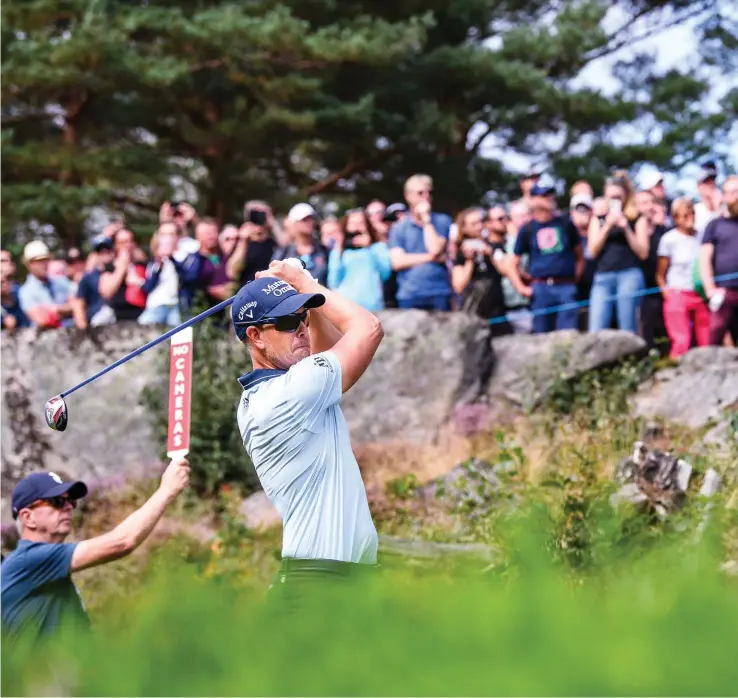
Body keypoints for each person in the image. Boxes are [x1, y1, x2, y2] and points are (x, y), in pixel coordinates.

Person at [231, 259, 383, 598]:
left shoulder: (291, 387)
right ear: (254, 336)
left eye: (302, 318)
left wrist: (304, 296)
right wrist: (302, 280)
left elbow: (326, 349)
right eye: (287, 322)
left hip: (341, 581)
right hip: (319, 586)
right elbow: (368, 328)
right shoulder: (289, 393)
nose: (300, 328)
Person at [1, 460, 190, 644]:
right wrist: (166, 491)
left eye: (71, 502)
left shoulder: (41, 565)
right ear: (28, 517)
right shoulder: (31, 559)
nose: (68, 507)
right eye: (57, 501)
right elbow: (122, 542)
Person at [509, 180, 584, 333]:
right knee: (541, 334)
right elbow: (512, 263)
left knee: (568, 334)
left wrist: (574, 279)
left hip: (565, 286)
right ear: (533, 200)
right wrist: (521, 288)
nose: (549, 199)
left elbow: (580, 256)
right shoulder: (528, 229)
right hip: (541, 287)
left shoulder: (565, 223)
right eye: (544, 195)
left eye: (550, 195)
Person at [587, 176, 649, 333]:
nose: (614, 200)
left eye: (617, 197)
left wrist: (626, 228)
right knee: (596, 329)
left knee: (628, 328)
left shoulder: (637, 218)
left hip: (629, 275)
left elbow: (643, 253)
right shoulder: (598, 218)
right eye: (611, 197)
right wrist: (607, 226)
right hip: (603, 278)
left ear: (626, 196)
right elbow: (592, 251)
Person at [655, 198, 710, 359]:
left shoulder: (702, 235)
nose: (689, 218)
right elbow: (660, 274)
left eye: (692, 214)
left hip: (700, 293)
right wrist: (667, 294)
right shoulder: (669, 239)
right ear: (676, 218)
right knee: (681, 340)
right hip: (677, 292)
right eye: (685, 215)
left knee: (706, 339)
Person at [389, 174, 452, 311]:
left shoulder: (442, 221)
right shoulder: (399, 228)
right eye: (420, 193)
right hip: (409, 294)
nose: (426, 197)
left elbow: (435, 248)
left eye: (429, 192)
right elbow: (397, 262)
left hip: (439, 292)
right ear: (408, 196)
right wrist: (431, 258)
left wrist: (426, 220)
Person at [452, 207, 511, 330]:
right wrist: (470, 260)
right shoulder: (460, 254)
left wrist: (490, 253)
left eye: (481, 222)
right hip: (473, 310)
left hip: (497, 308)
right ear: (464, 228)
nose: (479, 227)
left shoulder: (495, 247)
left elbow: (506, 271)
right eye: (474, 224)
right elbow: (458, 285)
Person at [327, 209, 392, 311]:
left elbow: (385, 274)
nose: (356, 226)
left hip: (373, 306)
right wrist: (339, 248)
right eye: (352, 223)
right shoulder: (339, 251)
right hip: (347, 306)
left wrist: (370, 248)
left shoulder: (378, 247)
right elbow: (333, 281)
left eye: (360, 223)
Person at [700, 175, 738, 345]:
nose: (734, 196)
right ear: (723, 196)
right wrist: (710, 289)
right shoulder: (714, 225)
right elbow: (704, 259)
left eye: (737, 191)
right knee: (715, 336)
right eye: (730, 192)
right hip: (723, 292)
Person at [637, 194, 670, 355]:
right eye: (644, 203)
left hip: (663, 291)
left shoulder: (664, 232)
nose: (650, 206)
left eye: (652, 202)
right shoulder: (631, 232)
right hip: (642, 293)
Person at [18, 241, 74, 329]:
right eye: (39, 261)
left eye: (46, 260)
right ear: (29, 264)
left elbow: (78, 305)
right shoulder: (26, 291)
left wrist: (56, 310)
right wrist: (67, 310)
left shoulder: (62, 282)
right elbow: (42, 320)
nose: (44, 264)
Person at [272, 203, 329, 286]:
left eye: (311, 218)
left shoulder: (324, 250)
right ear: (294, 223)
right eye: (304, 219)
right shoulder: (284, 252)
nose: (310, 222)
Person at [99, 229, 147, 322]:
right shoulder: (110, 267)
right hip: (116, 314)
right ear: (116, 246)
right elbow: (106, 292)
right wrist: (121, 268)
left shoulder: (143, 265)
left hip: (140, 313)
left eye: (130, 241)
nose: (127, 245)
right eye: (123, 242)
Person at [227, 202, 282, 285]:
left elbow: (287, 245)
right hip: (248, 291)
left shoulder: (273, 243)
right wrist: (243, 241)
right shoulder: (242, 243)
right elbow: (232, 273)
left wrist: (272, 223)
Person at [72, 235, 116, 328]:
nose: (105, 253)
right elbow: (79, 302)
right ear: (95, 254)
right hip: (95, 323)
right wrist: (82, 326)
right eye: (100, 251)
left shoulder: (119, 272)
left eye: (108, 250)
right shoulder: (88, 277)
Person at [503, 200, 533, 333]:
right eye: (520, 216)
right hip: (514, 305)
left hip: (535, 301)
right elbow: (509, 267)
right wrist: (522, 287)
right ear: (511, 219)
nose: (524, 219)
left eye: (527, 215)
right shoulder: (506, 243)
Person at [569, 193, 595, 331]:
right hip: (575, 294)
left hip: (595, 292)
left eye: (585, 209)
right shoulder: (566, 236)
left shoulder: (600, 234)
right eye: (578, 210)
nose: (582, 214)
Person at [694, 161, 724, 241]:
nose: (711, 184)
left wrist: (719, 207)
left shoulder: (725, 208)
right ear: (699, 187)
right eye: (706, 182)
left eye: (712, 180)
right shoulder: (695, 211)